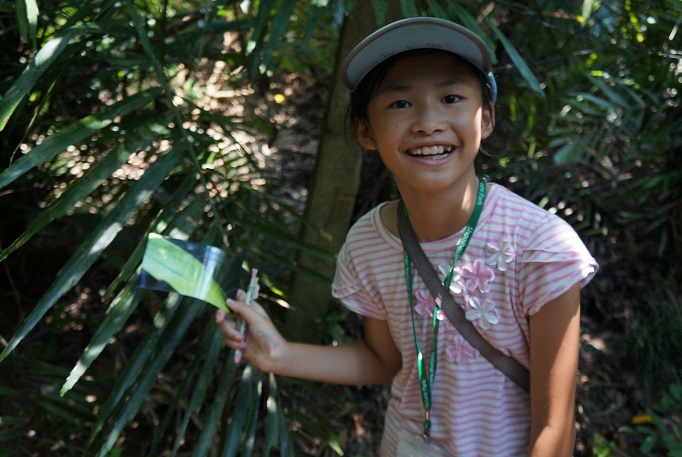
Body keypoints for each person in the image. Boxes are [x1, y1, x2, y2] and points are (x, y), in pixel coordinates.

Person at [216, 17, 598, 456]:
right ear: (365, 131)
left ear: (486, 117)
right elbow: (384, 362)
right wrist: (281, 355)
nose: (427, 122)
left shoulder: (539, 247)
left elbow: (554, 424)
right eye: (400, 104)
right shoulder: (368, 243)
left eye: (451, 98)